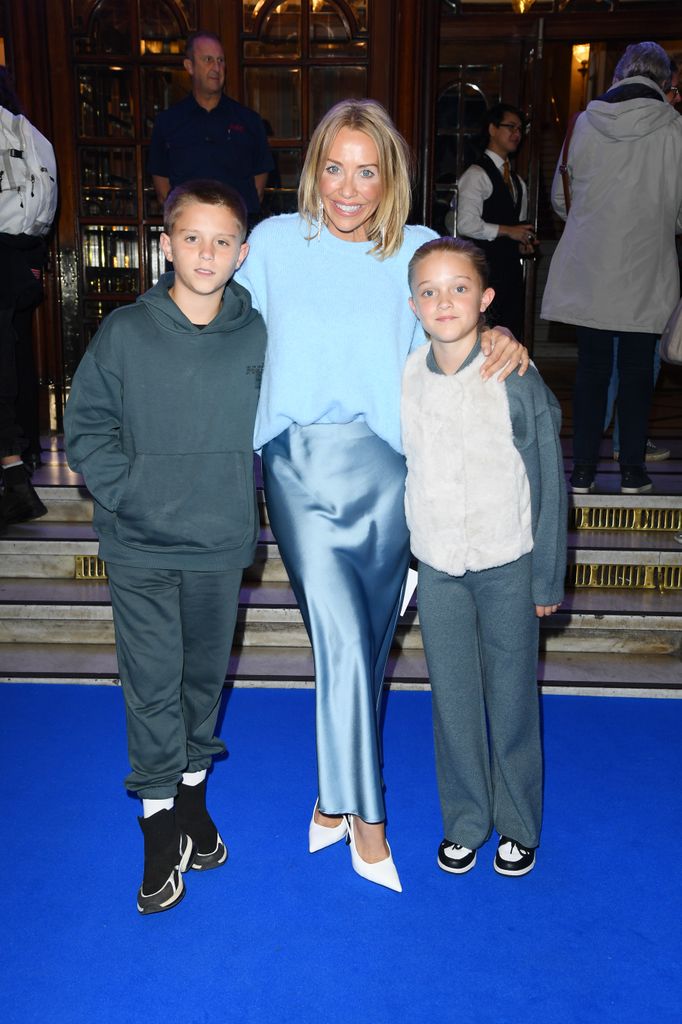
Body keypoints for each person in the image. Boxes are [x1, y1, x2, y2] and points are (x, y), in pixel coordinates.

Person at [235, 99, 528, 893]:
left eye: (367, 169)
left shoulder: (423, 250)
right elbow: (207, 312)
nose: (349, 188)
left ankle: (331, 798)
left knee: (366, 647)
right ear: (313, 169)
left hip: (398, 477)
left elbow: (460, 322)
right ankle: (370, 821)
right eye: (334, 167)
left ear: (390, 173)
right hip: (298, 468)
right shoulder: (269, 244)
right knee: (338, 641)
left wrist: (499, 337)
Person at [64, 181, 266, 915]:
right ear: (165, 244)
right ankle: (157, 833)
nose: (206, 253)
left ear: (242, 253)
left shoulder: (259, 336)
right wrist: (137, 494)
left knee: (201, 684)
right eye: (191, 238)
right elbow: (85, 429)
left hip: (217, 547)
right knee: (152, 687)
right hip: (141, 547)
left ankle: (192, 807)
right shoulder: (125, 332)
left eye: (221, 241)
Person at [401, 237, 566, 878]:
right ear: (412, 303)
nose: (445, 301)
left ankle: (519, 824)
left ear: (486, 299)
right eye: (430, 290)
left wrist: (547, 572)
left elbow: (548, 478)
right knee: (454, 701)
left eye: (460, 288)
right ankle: (465, 821)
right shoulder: (406, 374)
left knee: (513, 697)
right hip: (439, 568)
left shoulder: (513, 374)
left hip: (508, 563)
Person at [541, 41, 682, 496]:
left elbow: (562, 198)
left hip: (591, 265)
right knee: (640, 371)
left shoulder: (585, 122)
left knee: (592, 370)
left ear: (620, 75)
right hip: (647, 263)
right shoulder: (674, 128)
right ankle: (632, 473)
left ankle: (581, 471)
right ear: (664, 83)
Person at [0, 67, 54, 531]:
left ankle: (14, 477)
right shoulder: (34, 135)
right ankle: (25, 456)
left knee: (1, 367)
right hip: (25, 257)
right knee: (14, 357)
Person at [148, 30, 274, 226]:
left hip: (237, 235)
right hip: (187, 234)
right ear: (189, 66)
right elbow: (163, 190)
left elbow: (258, 188)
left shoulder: (250, 121)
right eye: (208, 59)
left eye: (221, 60)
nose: (216, 67)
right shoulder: (168, 122)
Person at [455, 103, 538, 340]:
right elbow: (465, 224)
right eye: (510, 127)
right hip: (484, 272)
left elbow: (516, 227)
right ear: (492, 129)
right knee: (483, 335)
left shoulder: (517, 181)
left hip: (510, 274)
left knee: (509, 334)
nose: (517, 134)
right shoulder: (476, 174)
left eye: (520, 129)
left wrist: (523, 241)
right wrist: (508, 231)